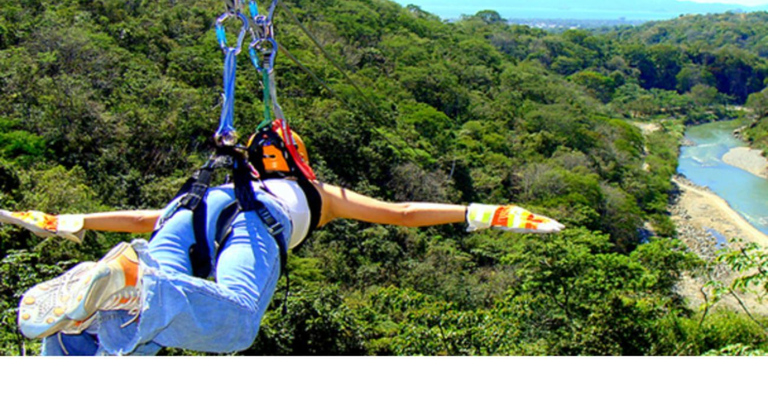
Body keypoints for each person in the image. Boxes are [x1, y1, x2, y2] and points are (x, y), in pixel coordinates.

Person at [3, 129, 564, 356]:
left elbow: (144, 219)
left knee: (132, 339)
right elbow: (402, 212)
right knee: (238, 322)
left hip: (185, 212)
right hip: (254, 224)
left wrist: (69, 220)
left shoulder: (229, 180)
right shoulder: (315, 192)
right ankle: (132, 285)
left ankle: (79, 321)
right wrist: (485, 212)